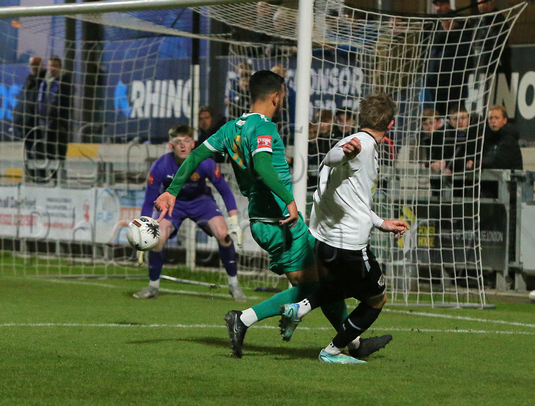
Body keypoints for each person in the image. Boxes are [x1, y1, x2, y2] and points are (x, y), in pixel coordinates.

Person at [155, 71, 391, 359]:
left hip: (261, 220)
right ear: (276, 96)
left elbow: (194, 155)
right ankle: (243, 319)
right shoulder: (264, 128)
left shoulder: (230, 128)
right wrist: (290, 201)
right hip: (281, 221)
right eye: (283, 95)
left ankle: (354, 344)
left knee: (320, 281)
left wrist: (172, 191)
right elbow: (264, 166)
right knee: (315, 286)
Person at [279, 93, 409, 364]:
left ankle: (300, 309)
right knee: (376, 298)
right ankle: (333, 351)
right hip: (348, 244)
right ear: (392, 124)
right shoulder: (361, 145)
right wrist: (344, 152)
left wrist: (381, 223)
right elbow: (333, 157)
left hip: (324, 240)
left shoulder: (354, 142)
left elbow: (351, 196)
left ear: (361, 118)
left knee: (345, 285)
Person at [134, 124, 245, 301]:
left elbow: (225, 190)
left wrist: (234, 221)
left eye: (187, 141)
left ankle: (234, 285)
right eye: (178, 142)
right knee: (158, 238)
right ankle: (153, 286)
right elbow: (149, 200)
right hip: (173, 205)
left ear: (193, 144)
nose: (183, 145)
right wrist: (144, 232)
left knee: (224, 234)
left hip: (202, 202)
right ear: (171, 145)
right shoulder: (159, 166)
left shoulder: (205, 163)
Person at [31, 55, 72, 182]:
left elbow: (65, 104)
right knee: (48, 150)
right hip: (45, 123)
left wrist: (61, 120)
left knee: (60, 152)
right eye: (50, 66)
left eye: (55, 66)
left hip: (59, 124)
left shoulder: (64, 82)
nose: (52, 69)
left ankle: (61, 177)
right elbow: (41, 102)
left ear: (60, 68)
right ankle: (53, 176)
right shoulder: (44, 82)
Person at [428, 105, 481, 198]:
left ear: (468, 119)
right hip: (441, 185)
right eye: (455, 119)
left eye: (463, 118)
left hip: (469, 184)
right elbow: (432, 157)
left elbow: (473, 157)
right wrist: (434, 164)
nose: (460, 122)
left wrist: (448, 164)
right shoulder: (439, 135)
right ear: (450, 121)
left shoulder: (476, 135)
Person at [481, 105, 523, 198]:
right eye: (490, 118)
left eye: (496, 118)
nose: (493, 121)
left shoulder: (509, 140)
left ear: (504, 120)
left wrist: (475, 163)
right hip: (492, 187)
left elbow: (497, 163)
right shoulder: (487, 139)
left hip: (508, 191)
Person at [13, 56, 45, 141]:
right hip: (27, 124)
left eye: (36, 64)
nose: (34, 67)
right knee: (30, 150)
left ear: (41, 65)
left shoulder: (44, 81)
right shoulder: (29, 80)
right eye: (32, 65)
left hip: (37, 124)